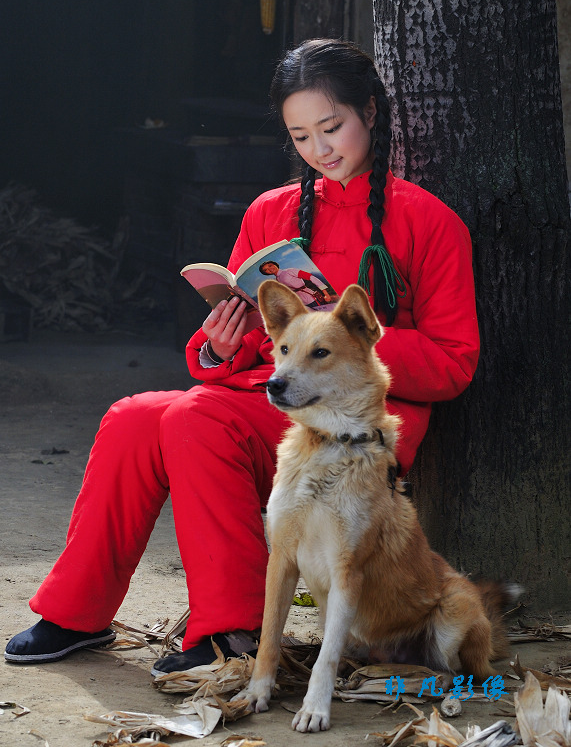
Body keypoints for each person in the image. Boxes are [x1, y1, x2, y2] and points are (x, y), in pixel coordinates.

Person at [4, 39, 480, 674]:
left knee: (194, 417)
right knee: (134, 415)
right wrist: (219, 342)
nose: (321, 149)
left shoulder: (429, 221)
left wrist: (347, 332)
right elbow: (245, 348)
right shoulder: (271, 212)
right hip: (268, 395)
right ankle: (77, 611)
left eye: (333, 127)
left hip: (356, 421)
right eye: (302, 135)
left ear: (371, 111)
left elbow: (454, 362)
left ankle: (233, 632)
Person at [258, 260, 334, 307]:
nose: (270, 269)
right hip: (300, 303)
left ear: (275, 264)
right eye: (266, 270)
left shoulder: (289, 271)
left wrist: (326, 294)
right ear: (266, 273)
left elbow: (311, 277)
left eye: (270, 265)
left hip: (310, 298)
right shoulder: (277, 280)